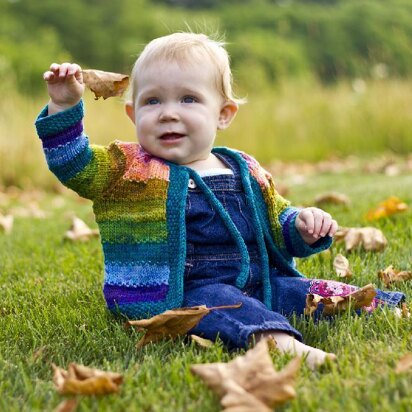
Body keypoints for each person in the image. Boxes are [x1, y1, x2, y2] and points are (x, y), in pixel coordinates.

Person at [35, 32, 404, 369]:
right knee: (228, 306)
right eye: (152, 101)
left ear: (223, 114)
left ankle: (384, 306)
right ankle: (280, 344)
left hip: (261, 280)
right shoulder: (126, 168)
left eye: (189, 98)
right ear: (133, 114)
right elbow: (74, 164)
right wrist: (64, 108)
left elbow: (278, 223)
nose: (168, 112)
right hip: (185, 291)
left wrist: (304, 226)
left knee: (312, 292)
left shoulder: (244, 168)